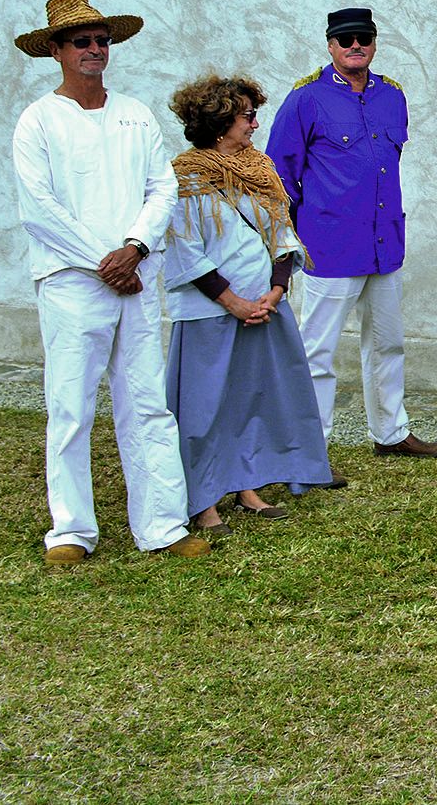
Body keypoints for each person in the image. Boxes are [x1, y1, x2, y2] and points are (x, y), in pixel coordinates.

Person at [11, 0, 207, 564]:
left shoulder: (135, 113)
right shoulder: (38, 121)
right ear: (56, 50)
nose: (95, 49)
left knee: (146, 401)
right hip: (73, 281)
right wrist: (106, 259)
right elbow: (38, 208)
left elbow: (162, 187)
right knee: (70, 405)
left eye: (101, 40)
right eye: (81, 41)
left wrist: (136, 246)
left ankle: (163, 526)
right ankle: (71, 530)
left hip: (137, 277)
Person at [267, 7, 437, 461]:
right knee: (317, 351)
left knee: (388, 343)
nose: (354, 46)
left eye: (363, 37)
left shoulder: (392, 96)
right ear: (330, 45)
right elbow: (278, 175)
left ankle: (390, 432)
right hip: (329, 244)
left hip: (385, 244)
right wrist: (286, 241)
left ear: (374, 42)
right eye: (344, 39)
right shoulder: (305, 99)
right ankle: (311, 446)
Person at [161, 74, 332, 532]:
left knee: (250, 400)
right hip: (210, 312)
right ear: (220, 122)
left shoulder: (260, 169)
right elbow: (183, 248)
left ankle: (246, 485)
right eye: (248, 116)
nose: (256, 125)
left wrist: (275, 291)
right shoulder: (184, 177)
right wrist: (232, 301)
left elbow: (282, 232)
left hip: (264, 307)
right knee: (204, 408)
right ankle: (203, 499)